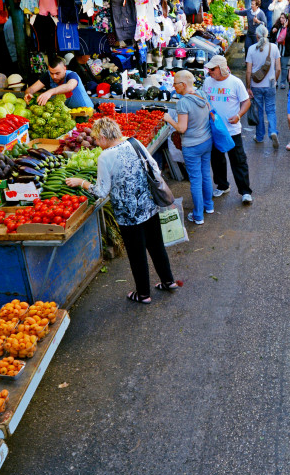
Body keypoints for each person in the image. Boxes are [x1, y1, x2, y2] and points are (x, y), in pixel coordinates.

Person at [65, 117, 180, 304]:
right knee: (157, 246)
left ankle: (143, 294)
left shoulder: (105, 156)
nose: (96, 143)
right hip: (149, 206)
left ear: (103, 137)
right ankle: (168, 281)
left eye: (96, 139)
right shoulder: (135, 142)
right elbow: (155, 168)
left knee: (137, 254)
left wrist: (82, 182)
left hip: (128, 215)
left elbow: (101, 191)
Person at [202, 56, 253, 205]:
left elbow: (246, 102)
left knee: (238, 160)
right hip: (214, 130)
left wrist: (238, 115)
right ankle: (222, 185)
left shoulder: (235, 83)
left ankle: (245, 191)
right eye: (209, 69)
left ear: (222, 68)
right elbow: (205, 101)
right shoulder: (207, 82)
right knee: (217, 160)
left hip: (232, 130)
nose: (209, 71)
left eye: (212, 69)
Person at [164, 71, 213, 225]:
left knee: (196, 180)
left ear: (183, 85)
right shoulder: (202, 94)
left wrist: (169, 119)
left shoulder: (183, 103)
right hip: (206, 141)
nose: (173, 86)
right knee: (205, 174)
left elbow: (182, 128)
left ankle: (198, 216)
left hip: (192, 146)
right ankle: (209, 206)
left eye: (175, 83)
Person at [245, 25, 280, 147]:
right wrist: (274, 81)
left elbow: (248, 71)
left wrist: (248, 87)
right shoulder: (274, 48)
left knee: (259, 111)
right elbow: (278, 69)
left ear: (257, 36)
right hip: (270, 83)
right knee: (271, 110)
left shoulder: (251, 49)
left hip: (256, 85)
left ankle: (259, 136)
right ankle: (273, 132)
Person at [24, 55, 94, 108]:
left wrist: (50, 92)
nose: (54, 76)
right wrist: (28, 94)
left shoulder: (72, 75)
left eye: (57, 73)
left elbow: (69, 86)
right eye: (51, 73)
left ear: (64, 69)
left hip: (86, 111)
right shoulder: (47, 75)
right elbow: (31, 89)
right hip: (69, 114)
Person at [274, 13, 290, 90]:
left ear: (287, 20)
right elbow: (272, 35)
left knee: (284, 67)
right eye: (280, 18)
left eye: (283, 18)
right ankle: (275, 81)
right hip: (276, 51)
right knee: (276, 67)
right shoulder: (277, 26)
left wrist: (284, 28)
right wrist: (273, 30)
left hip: (285, 51)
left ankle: (283, 82)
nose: (281, 19)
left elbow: (289, 38)